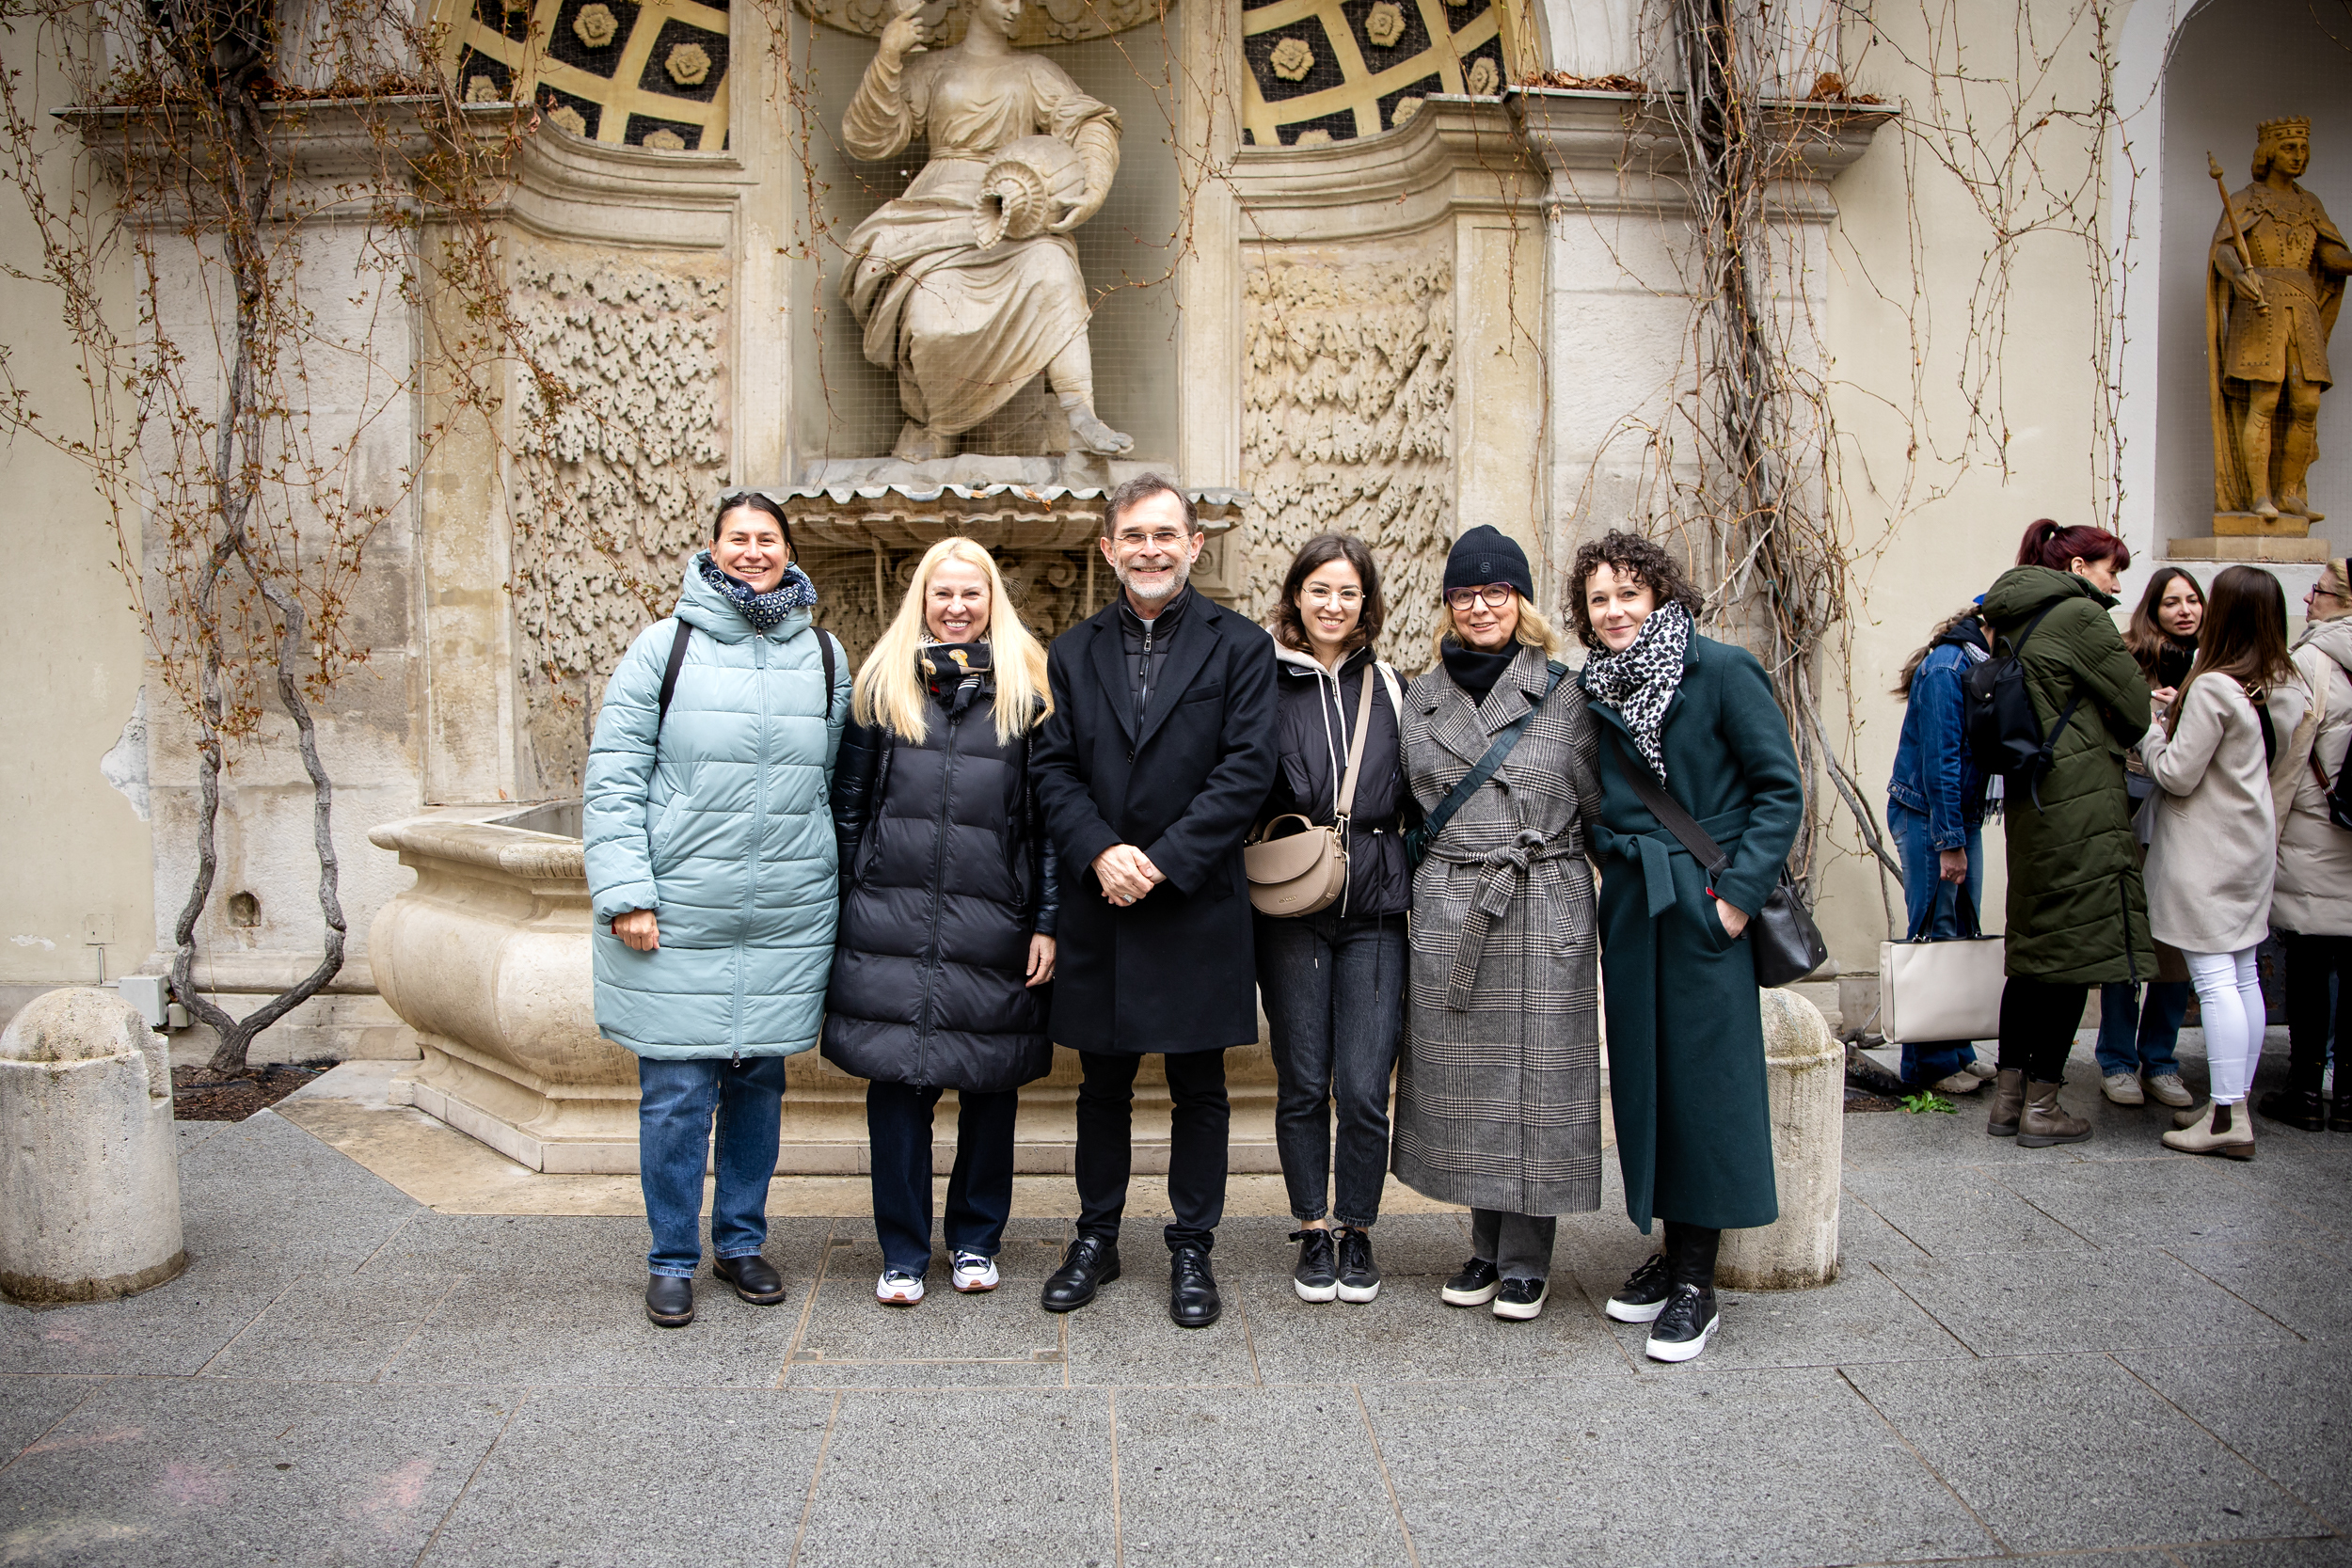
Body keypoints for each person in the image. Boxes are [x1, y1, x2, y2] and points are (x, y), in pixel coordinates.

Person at [583, 493, 850, 1329]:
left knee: (757, 1088)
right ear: (712, 548)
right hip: (680, 908)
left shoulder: (825, 655)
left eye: (768, 539)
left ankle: (740, 1242)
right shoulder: (664, 647)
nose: (753, 551)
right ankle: (671, 1256)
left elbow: (834, 784)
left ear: (789, 552)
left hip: (783, 911)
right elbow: (614, 775)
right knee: (674, 1094)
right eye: (739, 538)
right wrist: (626, 893)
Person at [1029, 474, 1279, 1327]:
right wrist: (1100, 851)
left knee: (1199, 1087)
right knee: (1100, 1086)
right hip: (1103, 898)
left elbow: (1247, 769)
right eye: (1133, 535)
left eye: (1165, 534)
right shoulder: (1073, 651)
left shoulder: (1241, 646)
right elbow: (1053, 768)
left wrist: (1163, 861)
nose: (1150, 549)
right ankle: (1095, 1238)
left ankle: (1192, 1246)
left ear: (1194, 545)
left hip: (1195, 900)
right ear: (1109, 548)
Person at [1577, 530, 1804, 1364]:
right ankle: (1673, 1253)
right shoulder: (1596, 686)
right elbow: (1596, 799)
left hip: (1707, 907)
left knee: (1707, 1087)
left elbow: (1780, 789)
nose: (1614, 611)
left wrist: (1735, 902)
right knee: (1651, 1082)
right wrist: (1610, 859)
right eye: (1599, 599)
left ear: (1661, 595)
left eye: (1628, 594)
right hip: (1637, 909)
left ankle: (1697, 1284)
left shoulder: (1724, 671)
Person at [825, 538, 1060, 1306]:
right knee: (896, 1091)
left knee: (990, 1086)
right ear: (921, 600)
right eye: (942, 593)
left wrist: (1046, 919)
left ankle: (975, 1238)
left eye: (971, 593)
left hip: (995, 923)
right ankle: (901, 1250)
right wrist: (856, 896)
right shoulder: (882, 685)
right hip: (891, 922)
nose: (957, 607)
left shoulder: (1030, 691)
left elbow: (1048, 826)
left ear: (993, 600)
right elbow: (848, 810)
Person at [1391, 526, 1599, 1325]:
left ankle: (1525, 1260)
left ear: (1522, 601)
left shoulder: (1567, 692)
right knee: (1470, 1083)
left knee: (1538, 1083)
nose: (1480, 606)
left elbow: (1603, 807)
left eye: (1496, 592)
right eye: (1464, 594)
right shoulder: (1420, 697)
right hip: (1455, 903)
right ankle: (1484, 1245)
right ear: (1447, 604)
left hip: (1542, 899)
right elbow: (1406, 805)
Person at [838, 0, 1134, 462]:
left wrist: (1093, 185)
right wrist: (888, 57)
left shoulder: (1035, 70)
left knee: (1054, 269)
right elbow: (870, 138)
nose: (1016, 8)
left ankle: (1080, 413)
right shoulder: (932, 69)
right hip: (938, 214)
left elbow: (1090, 122)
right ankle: (940, 425)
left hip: (1015, 209)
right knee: (930, 317)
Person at [1255, 534, 1412, 1305]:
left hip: (1377, 908)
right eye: (1320, 589)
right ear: (1296, 595)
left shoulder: (1392, 685)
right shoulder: (1262, 681)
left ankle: (1357, 1226)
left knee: (1364, 1082)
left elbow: (1420, 792)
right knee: (1303, 1078)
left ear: (1366, 603)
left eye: (1348, 592)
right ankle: (1312, 1226)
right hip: (1291, 906)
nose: (1333, 604)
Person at [1976, 518, 2153, 1149]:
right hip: (2081, 803)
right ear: (2078, 568)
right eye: (2112, 569)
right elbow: (2136, 710)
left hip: (2033, 802)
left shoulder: (2011, 618)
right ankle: (2044, 1108)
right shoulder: (2081, 615)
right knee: (2074, 957)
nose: (2117, 584)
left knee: (2032, 957)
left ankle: (2009, 1103)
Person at [2140, 565, 2303, 1160]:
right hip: (2252, 844)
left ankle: (2228, 1117)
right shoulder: (2283, 684)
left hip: (2207, 850)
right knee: (2242, 974)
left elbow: (2177, 774)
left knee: (2214, 981)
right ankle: (2232, 1105)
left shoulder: (2214, 687)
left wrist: (2153, 731)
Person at [2096, 568, 2205, 1109]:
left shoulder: (2216, 666)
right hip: (2132, 815)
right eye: (2171, 602)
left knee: (2176, 948)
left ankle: (2160, 1060)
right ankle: (2117, 1060)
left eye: (2193, 600)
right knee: (2126, 942)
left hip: (2189, 825)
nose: (2185, 610)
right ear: (2153, 610)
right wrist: (2150, 715)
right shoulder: (2128, 660)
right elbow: (2104, 734)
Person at [1883, 605, 2000, 1095]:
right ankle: (1928, 1065)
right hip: (1928, 813)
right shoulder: (1947, 668)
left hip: (1958, 813)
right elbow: (1940, 761)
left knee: (1958, 932)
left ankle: (1957, 1050)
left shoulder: (1980, 664)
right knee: (1933, 932)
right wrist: (1950, 842)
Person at [2263, 559, 2352, 1132]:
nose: (2309, 600)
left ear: (2339, 600)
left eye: (2316, 590)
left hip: (2316, 833)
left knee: (2310, 964)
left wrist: (2265, 829)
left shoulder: (2312, 662)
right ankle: (2349, 1099)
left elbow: (2290, 758)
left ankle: (2304, 1091)